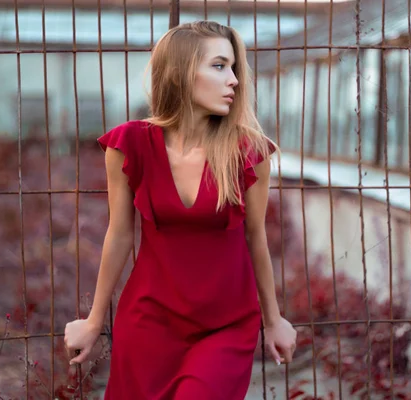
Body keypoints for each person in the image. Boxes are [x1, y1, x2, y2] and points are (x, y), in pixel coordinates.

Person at [63, 20, 297, 399]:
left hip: (225, 325)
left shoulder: (249, 151)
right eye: (220, 66)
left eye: (235, 68)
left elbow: (256, 237)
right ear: (181, 73)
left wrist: (273, 320)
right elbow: (119, 233)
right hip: (149, 322)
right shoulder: (129, 144)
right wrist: (93, 321)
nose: (234, 80)